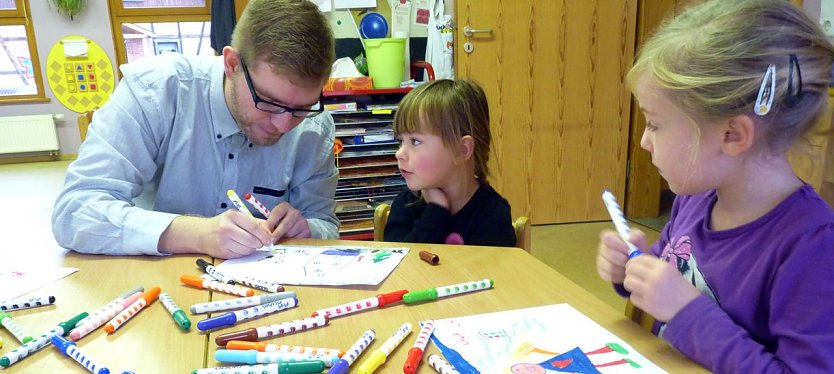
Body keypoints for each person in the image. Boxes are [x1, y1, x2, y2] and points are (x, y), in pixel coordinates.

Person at [596, 0, 834, 372]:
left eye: (655, 124)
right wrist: (634, 269)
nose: (644, 141)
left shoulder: (813, 246)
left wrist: (687, 310)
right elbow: (672, 279)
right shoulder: (695, 200)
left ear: (732, 134)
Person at [52, 0, 339, 259]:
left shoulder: (315, 127)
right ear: (232, 64)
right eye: (269, 102)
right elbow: (75, 212)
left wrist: (308, 228)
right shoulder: (156, 92)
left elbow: (326, 224)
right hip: (156, 283)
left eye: (302, 108)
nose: (284, 125)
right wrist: (197, 234)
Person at [384, 79, 516, 247]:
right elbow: (399, 265)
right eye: (400, 141)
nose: (399, 153)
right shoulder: (405, 205)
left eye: (415, 141)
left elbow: (497, 272)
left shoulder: (493, 214)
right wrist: (436, 211)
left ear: (462, 150)